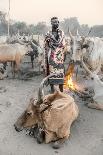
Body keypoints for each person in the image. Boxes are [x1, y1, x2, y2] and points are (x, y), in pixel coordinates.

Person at [44, 17, 66, 92]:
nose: (55, 23)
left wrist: (58, 47)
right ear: (51, 23)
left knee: (60, 74)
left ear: (58, 23)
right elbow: (46, 45)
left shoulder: (62, 33)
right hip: (51, 57)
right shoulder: (48, 33)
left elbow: (63, 44)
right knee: (52, 74)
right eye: (54, 22)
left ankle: (61, 92)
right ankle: (52, 92)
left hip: (60, 57)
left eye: (57, 22)